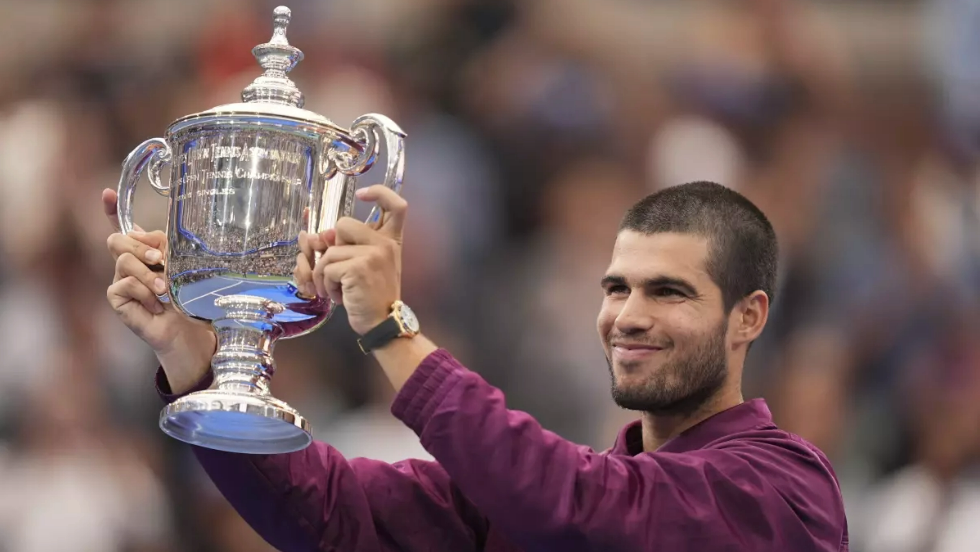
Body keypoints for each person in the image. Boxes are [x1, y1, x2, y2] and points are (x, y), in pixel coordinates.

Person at [103, 181, 849, 551]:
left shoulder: (783, 489)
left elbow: (581, 509)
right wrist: (198, 361)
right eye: (617, 287)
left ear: (748, 317)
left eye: (669, 292)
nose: (629, 316)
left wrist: (393, 330)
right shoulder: (551, 496)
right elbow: (330, 513)